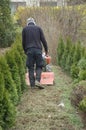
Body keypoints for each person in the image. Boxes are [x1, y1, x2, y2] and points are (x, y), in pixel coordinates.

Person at [22, 17, 48, 89]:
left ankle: (32, 85)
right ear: (34, 22)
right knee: (39, 66)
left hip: (29, 50)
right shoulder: (38, 28)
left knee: (30, 67)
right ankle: (37, 80)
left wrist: (25, 51)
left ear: (28, 23)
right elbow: (43, 40)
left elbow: (23, 42)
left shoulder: (24, 29)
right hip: (38, 50)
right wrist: (46, 50)